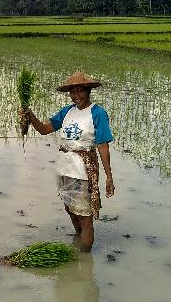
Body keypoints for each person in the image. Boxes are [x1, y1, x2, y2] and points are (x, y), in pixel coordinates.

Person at [19, 71, 114, 252]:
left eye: (80, 91)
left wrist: (109, 177)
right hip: (64, 168)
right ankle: (78, 243)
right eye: (73, 92)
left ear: (88, 92)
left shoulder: (97, 113)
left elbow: (103, 147)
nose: (76, 96)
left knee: (85, 215)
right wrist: (30, 116)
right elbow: (44, 129)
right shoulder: (67, 111)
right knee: (70, 208)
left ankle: (85, 260)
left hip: (82, 170)